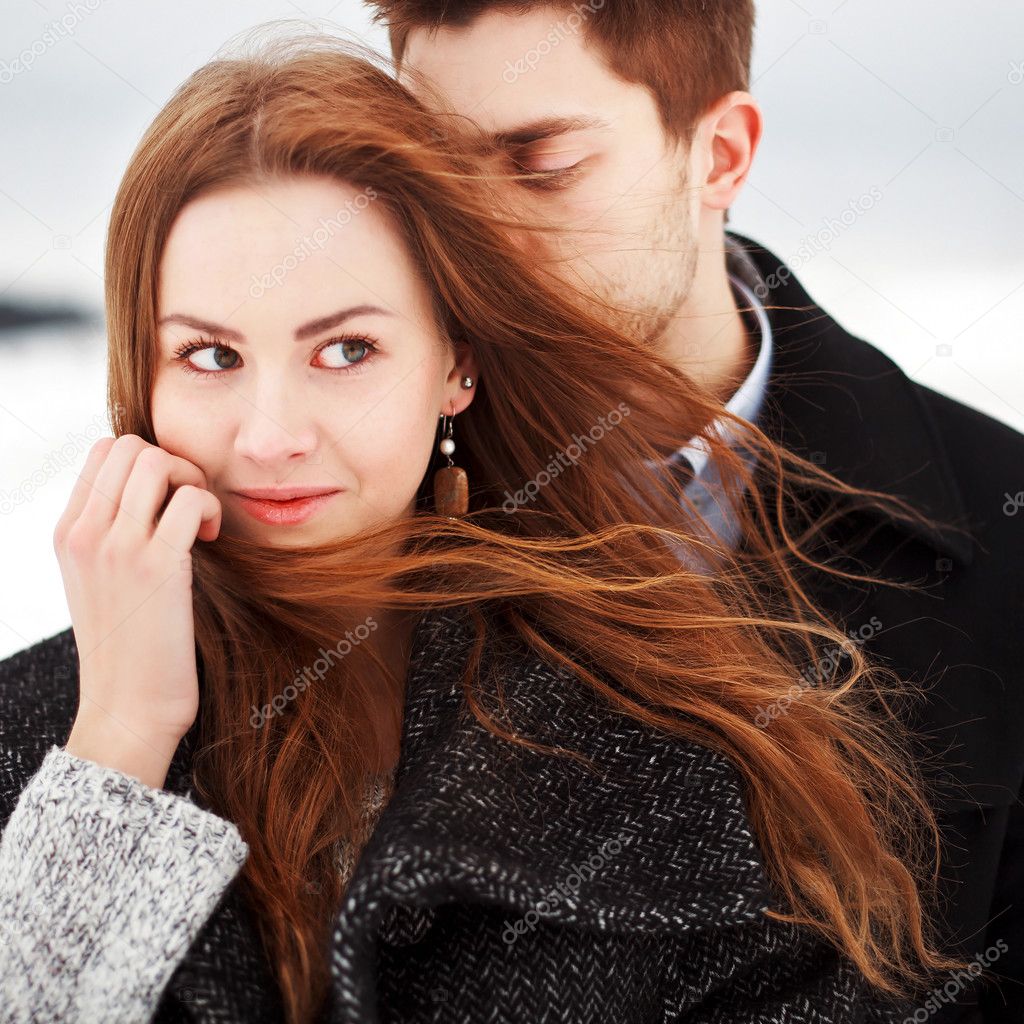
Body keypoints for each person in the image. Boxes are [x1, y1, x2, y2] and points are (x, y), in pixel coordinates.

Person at [0, 33, 983, 1024]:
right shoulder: (36, 735)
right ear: (143, 369)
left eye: (347, 349)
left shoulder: (684, 757)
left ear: (455, 365)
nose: (269, 436)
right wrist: (120, 738)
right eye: (210, 356)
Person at [366, 2, 1024, 1019]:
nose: (469, 239)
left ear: (718, 154)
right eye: (433, 179)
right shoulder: (340, 504)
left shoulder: (1004, 520)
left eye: (537, 162)